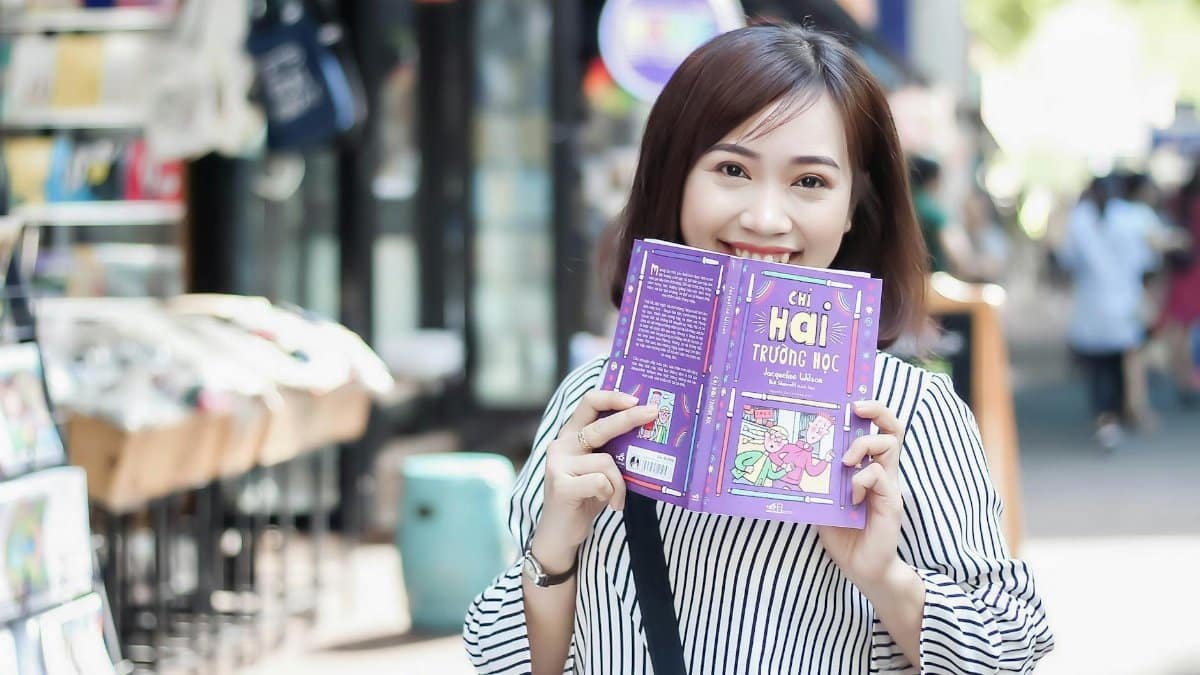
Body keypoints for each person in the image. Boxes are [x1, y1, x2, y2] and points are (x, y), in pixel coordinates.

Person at [464, 23, 1054, 673]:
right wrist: (554, 552)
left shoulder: (907, 412)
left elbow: (1010, 648)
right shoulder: (594, 401)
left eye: (809, 182)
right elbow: (503, 661)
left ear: (855, 206)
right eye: (732, 170)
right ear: (675, 178)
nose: (766, 218)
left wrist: (887, 576)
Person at [1056, 175, 1157, 448]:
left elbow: (1067, 260)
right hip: (1123, 305)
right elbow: (1148, 262)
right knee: (1117, 364)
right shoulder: (1132, 219)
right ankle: (1118, 414)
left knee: (1100, 368)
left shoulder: (1079, 221)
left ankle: (1106, 418)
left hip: (1095, 308)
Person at [1159, 167, 1200, 404]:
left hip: (1182, 271)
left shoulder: (1180, 200)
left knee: (1180, 329)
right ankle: (1190, 379)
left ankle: (1184, 379)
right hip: (1193, 271)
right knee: (1185, 329)